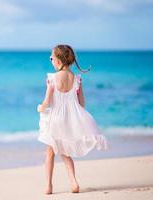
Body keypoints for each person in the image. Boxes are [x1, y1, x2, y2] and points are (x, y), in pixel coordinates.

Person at [37, 44, 108, 195]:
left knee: (50, 153)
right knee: (66, 153)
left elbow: (47, 102)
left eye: (51, 58)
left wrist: (40, 108)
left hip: (55, 119)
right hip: (69, 121)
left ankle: (48, 186)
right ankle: (74, 183)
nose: (50, 60)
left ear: (58, 60)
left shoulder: (52, 78)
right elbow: (81, 103)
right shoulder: (77, 79)